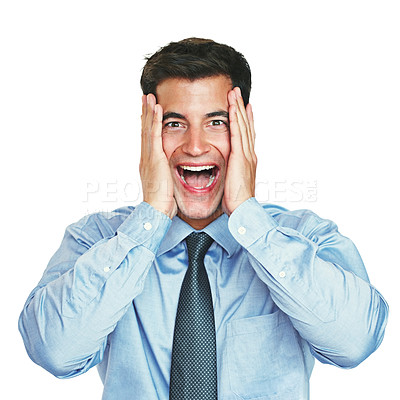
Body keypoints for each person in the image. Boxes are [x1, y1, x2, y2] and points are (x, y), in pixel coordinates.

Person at [19, 38, 388, 399]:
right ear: (148, 132)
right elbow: (55, 352)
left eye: (216, 122)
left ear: (245, 130)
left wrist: (250, 218)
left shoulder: (304, 238)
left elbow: (355, 342)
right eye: (174, 124)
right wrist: (150, 219)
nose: (195, 146)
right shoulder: (97, 240)